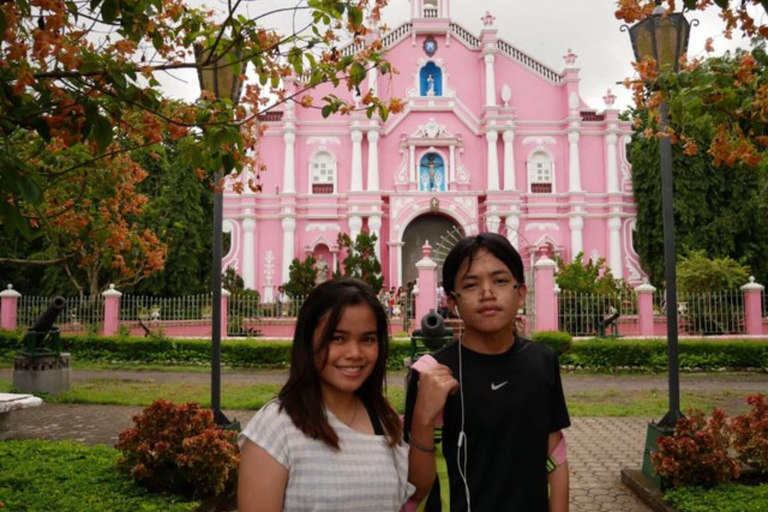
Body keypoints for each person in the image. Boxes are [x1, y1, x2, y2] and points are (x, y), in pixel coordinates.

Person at [404, 233, 571, 512]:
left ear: (520, 293)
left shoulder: (542, 362)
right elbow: (416, 486)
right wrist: (423, 419)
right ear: (453, 303)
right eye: (471, 285)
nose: (487, 292)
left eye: (500, 281)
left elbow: (555, 456)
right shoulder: (432, 375)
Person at [238, 278, 414, 512]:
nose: (354, 353)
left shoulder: (383, 420)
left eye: (367, 339)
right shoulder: (276, 429)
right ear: (308, 340)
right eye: (337, 338)